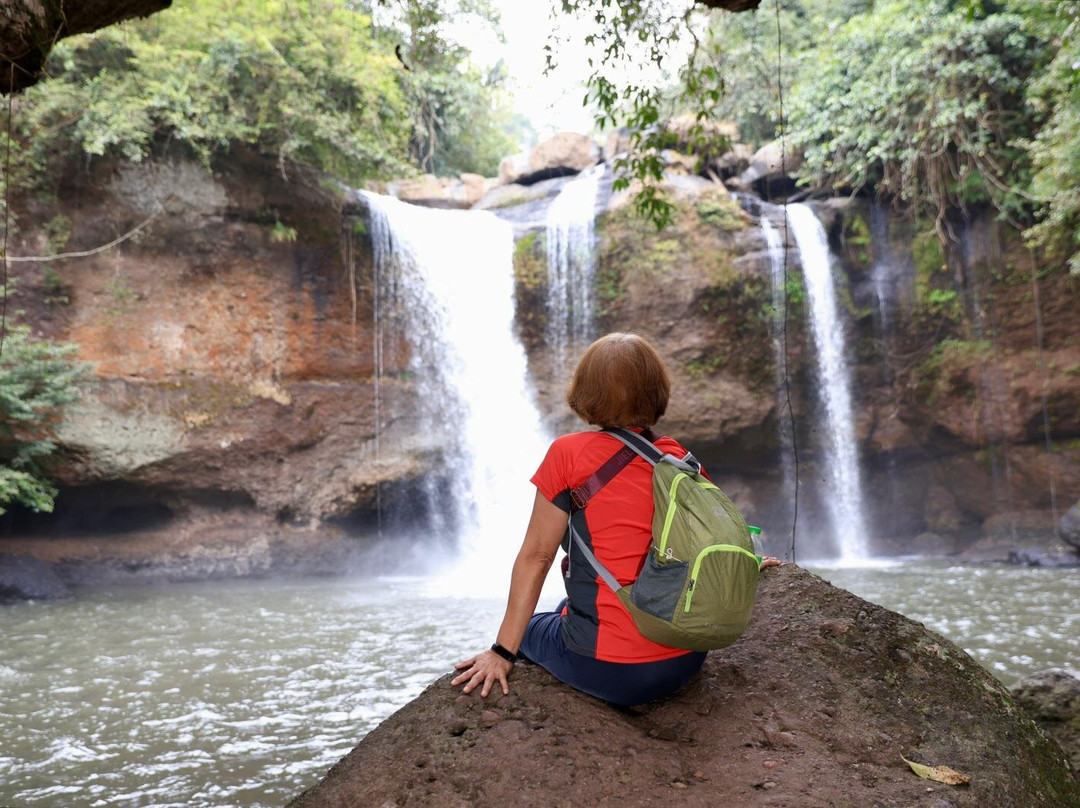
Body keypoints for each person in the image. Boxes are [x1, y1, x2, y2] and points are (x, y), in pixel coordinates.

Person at [452, 332, 780, 706]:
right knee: (567, 604)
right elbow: (709, 537)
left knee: (531, 628)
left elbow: (538, 556)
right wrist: (747, 564)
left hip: (611, 670)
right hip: (687, 657)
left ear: (585, 392)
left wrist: (501, 652)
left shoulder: (568, 455)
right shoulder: (677, 458)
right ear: (658, 392)